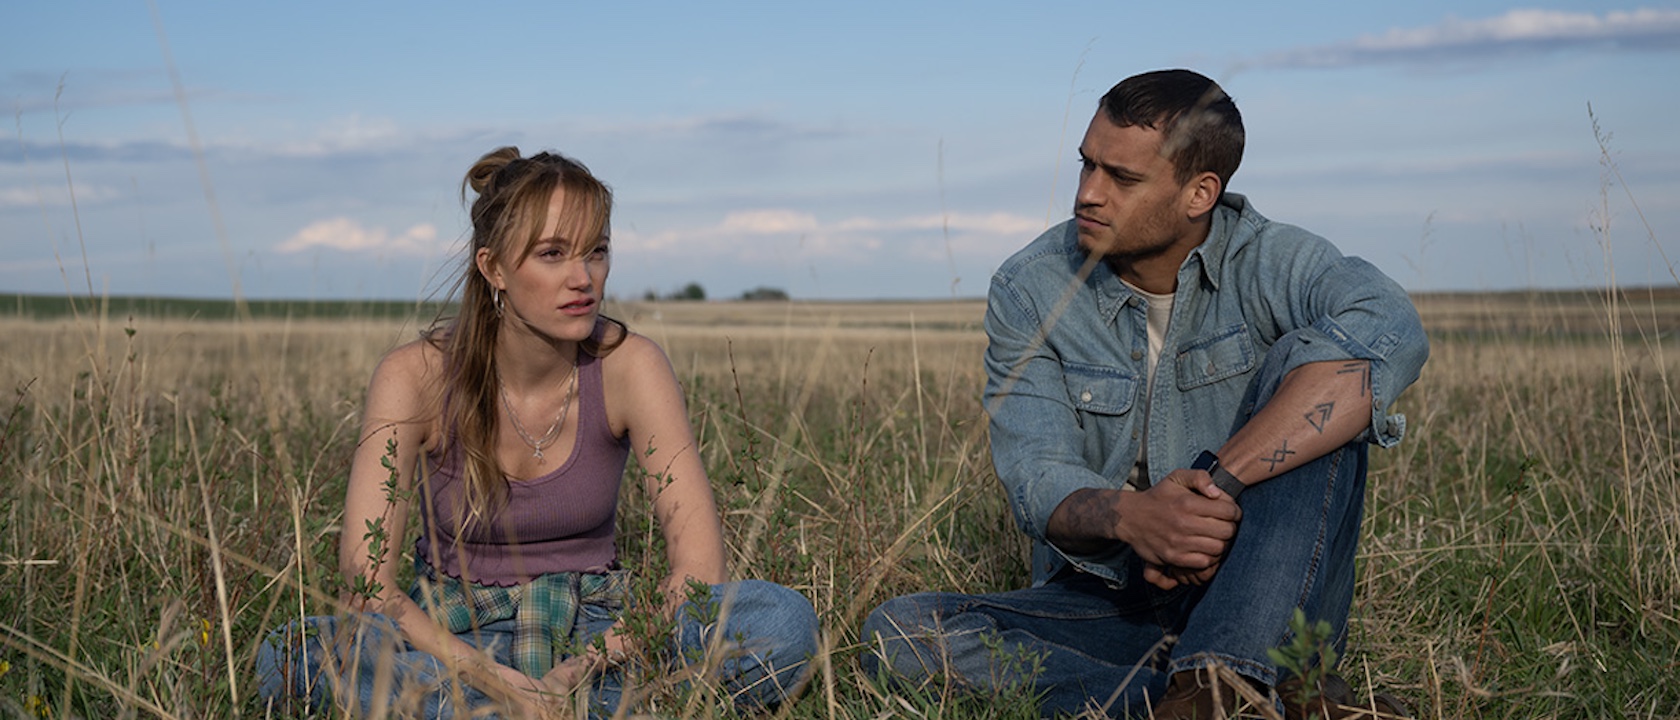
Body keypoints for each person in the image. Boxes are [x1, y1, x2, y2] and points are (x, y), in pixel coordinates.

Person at [860, 69, 1426, 718]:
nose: (1088, 195)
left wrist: (1212, 492)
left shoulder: (1278, 262)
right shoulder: (1031, 288)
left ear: (1199, 193)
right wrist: (1137, 519)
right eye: (1086, 166)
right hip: (1113, 596)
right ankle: (1235, 700)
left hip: (1265, 590)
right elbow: (1036, 474)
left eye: (1121, 179)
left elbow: (1389, 331)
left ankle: (1226, 676)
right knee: (899, 634)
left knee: (1317, 369)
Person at [257, 147, 818, 719]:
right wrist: (494, 680)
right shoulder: (412, 377)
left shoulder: (631, 366)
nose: (583, 278)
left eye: (596, 251)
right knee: (293, 654)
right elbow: (368, 585)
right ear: (493, 268)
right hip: (455, 639)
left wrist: (576, 672)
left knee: (783, 621)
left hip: (600, 636)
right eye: (552, 254)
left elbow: (699, 572)